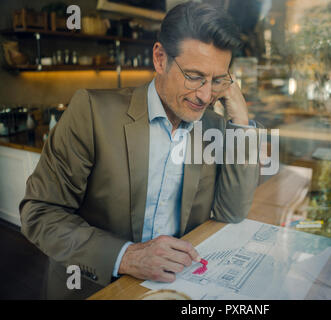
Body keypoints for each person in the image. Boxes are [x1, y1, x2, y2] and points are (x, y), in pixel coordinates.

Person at [19, 2, 260, 299]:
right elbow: (40, 212)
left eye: (217, 80)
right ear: (160, 58)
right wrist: (128, 256)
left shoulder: (213, 125)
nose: (206, 95)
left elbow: (231, 212)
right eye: (195, 76)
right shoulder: (92, 112)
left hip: (175, 288)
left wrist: (241, 119)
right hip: (94, 286)